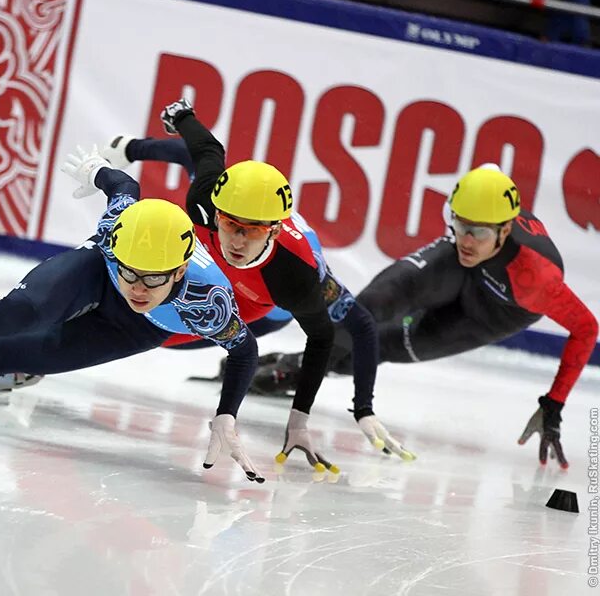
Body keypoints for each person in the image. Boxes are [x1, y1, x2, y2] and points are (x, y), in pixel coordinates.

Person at [0, 150, 265, 482]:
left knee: (4, 357)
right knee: (14, 314)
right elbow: (122, 185)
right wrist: (96, 167)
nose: (137, 287)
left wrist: (226, 412)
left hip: (136, 328)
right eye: (130, 271)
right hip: (96, 270)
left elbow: (245, 351)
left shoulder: (208, 300)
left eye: (151, 280)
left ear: (177, 271)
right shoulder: (116, 230)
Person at [94, 99, 415, 466]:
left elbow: (355, 325)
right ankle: (128, 145)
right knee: (197, 167)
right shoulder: (205, 203)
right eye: (230, 224)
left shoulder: (298, 273)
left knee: (160, 338)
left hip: (265, 304)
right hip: (230, 266)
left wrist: (358, 410)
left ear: (274, 231)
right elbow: (207, 148)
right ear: (218, 213)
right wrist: (178, 117)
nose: (237, 241)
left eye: (252, 231)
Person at [251, 164, 598, 469]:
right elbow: (471, 227)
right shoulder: (470, 232)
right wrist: (469, 234)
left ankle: (289, 369)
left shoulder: (535, 279)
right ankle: (292, 367)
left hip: (489, 314)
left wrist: (553, 404)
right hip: (464, 273)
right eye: (459, 225)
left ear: (505, 231)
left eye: (478, 232)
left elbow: (587, 328)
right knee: (370, 306)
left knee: (382, 345)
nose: (466, 240)